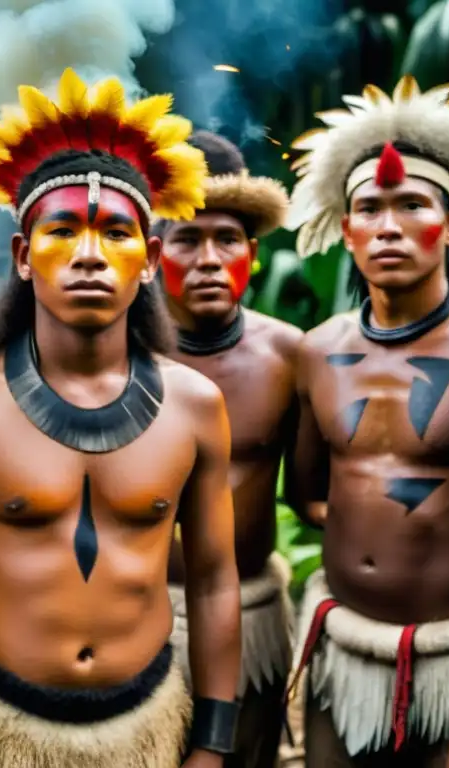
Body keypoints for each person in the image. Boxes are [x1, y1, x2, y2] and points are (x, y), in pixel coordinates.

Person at [0, 68, 242, 768]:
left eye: (115, 232)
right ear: (24, 256)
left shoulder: (196, 406)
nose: (89, 255)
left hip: (147, 723)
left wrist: (212, 744)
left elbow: (212, 582)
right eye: (63, 229)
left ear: (148, 260)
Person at [283, 76, 449, 767]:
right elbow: (310, 494)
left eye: (412, 204)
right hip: (343, 647)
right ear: (346, 231)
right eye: (369, 208)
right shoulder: (316, 350)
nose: (390, 226)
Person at [155, 129, 299, 767]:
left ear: (254, 252)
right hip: (135, 619)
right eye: (188, 239)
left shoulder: (290, 355)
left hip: (249, 614)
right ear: (154, 251)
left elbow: (313, 490)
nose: (209, 259)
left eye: (229, 240)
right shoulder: (108, 356)